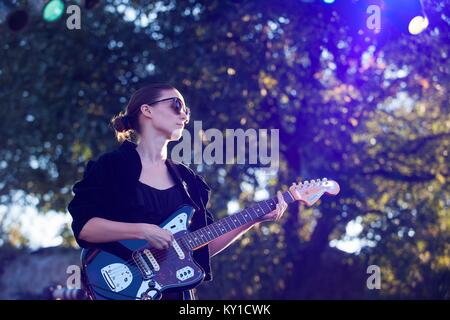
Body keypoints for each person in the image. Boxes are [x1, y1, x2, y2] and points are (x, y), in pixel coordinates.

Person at [67, 83, 288, 300]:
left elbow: (202, 248)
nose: (184, 116)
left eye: (186, 111)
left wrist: (254, 219)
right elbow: (85, 229)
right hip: (122, 289)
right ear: (147, 110)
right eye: (176, 105)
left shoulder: (189, 181)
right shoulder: (112, 166)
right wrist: (142, 231)